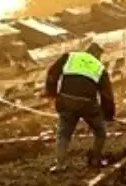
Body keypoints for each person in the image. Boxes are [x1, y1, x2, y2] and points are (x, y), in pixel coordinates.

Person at [44, 42, 115, 172]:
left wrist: (52, 92)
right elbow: (106, 94)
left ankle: (60, 165)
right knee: (100, 133)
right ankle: (95, 160)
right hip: (87, 104)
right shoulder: (99, 67)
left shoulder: (70, 57)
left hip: (66, 100)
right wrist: (108, 114)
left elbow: (52, 73)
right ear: (98, 55)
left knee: (63, 134)